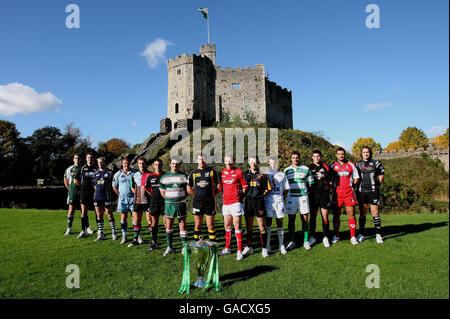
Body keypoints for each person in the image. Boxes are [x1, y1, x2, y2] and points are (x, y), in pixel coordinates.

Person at [219, 155, 248, 261]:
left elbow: (245, 186)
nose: (229, 163)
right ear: (224, 162)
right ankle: (227, 248)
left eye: (230, 161)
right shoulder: (222, 173)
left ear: (234, 161)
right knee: (227, 225)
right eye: (227, 161)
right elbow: (220, 187)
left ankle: (239, 251)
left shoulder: (239, 172)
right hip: (225, 203)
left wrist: (241, 197)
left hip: (236, 203)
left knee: (237, 226)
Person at [283, 151, 314, 251]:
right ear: (291, 159)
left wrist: (305, 193)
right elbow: (284, 186)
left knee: (304, 219)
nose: (295, 159)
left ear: (299, 158)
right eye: (293, 158)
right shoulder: (286, 170)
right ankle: (292, 241)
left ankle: (305, 241)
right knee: (291, 219)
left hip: (302, 197)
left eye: (297, 157)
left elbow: (310, 184)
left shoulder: (306, 169)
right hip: (291, 197)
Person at [187, 154, 221, 244]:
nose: (201, 161)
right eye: (200, 159)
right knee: (198, 225)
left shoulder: (213, 172)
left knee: (210, 225)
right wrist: (196, 195)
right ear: (197, 161)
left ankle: (213, 246)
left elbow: (219, 187)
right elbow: (188, 188)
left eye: (203, 159)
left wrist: (212, 195)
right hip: (197, 203)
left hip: (209, 203)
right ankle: (196, 245)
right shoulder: (193, 173)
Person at [159, 157, 190, 256]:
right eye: (173, 163)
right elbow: (162, 192)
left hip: (181, 204)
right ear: (170, 164)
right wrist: (169, 199)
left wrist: (180, 198)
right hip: (169, 205)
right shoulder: (164, 177)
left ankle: (184, 246)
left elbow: (188, 190)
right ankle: (169, 247)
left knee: (182, 225)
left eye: (176, 164)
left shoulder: (184, 176)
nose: (175, 165)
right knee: (169, 225)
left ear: (179, 165)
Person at [330, 147, 360, 245]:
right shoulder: (332, 166)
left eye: (342, 154)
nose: (341, 156)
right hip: (337, 193)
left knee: (351, 214)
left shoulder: (351, 164)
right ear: (336, 155)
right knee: (336, 214)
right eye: (339, 154)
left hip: (348, 193)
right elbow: (329, 180)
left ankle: (353, 236)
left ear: (344, 154)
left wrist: (351, 186)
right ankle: (336, 236)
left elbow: (356, 179)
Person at [242, 156, 271, 258]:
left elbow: (268, 188)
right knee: (248, 227)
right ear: (249, 163)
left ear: (258, 162)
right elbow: (242, 188)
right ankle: (249, 246)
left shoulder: (263, 174)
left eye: (255, 162)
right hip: (248, 202)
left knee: (261, 226)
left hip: (259, 202)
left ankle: (264, 248)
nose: (253, 164)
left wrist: (260, 196)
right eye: (251, 162)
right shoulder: (245, 174)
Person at [355, 146, 385, 244]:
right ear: (361, 153)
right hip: (361, 191)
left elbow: (381, 175)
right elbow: (354, 178)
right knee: (362, 213)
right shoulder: (357, 164)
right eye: (364, 152)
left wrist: (377, 185)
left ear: (370, 153)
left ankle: (378, 234)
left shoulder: (376, 163)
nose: (366, 154)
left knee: (375, 212)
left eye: (367, 152)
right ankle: (361, 234)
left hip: (373, 191)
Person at [265, 156, 290, 254]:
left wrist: (281, 196)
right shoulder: (265, 174)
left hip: (279, 201)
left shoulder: (281, 174)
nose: (273, 165)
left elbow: (286, 188)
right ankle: (267, 245)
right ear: (268, 163)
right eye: (271, 163)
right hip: (268, 201)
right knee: (268, 223)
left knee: (280, 222)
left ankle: (281, 245)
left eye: (274, 163)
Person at [308, 150, 333, 248]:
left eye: (318, 156)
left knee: (325, 217)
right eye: (315, 156)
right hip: (313, 195)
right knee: (313, 217)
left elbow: (331, 181)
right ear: (312, 157)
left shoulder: (326, 167)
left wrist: (326, 189)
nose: (316, 158)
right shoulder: (309, 168)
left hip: (324, 195)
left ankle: (326, 237)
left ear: (321, 156)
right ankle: (312, 236)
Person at [128, 157, 152, 247]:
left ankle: (154, 239)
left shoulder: (150, 174)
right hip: (138, 200)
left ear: (146, 164)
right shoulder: (134, 175)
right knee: (137, 220)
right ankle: (135, 240)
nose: (142, 165)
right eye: (140, 163)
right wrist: (137, 194)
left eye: (143, 163)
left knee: (149, 220)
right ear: (137, 165)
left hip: (148, 200)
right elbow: (132, 186)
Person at [112, 157, 136, 245]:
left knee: (135, 217)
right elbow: (114, 186)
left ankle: (137, 236)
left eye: (128, 163)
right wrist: (119, 194)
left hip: (133, 198)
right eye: (125, 163)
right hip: (122, 199)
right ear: (122, 164)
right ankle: (124, 236)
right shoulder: (117, 174)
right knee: (123, 217)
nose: (126, 165)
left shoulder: (134, 173)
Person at [93, 157, 117, 241]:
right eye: (99, 162)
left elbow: (111, 184)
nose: (100, 164)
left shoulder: (109, 172)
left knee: (109, 214)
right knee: (99, 215)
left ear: (105, 163)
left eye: (102, 162)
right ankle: (101, 233)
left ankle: (114, 233)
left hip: (106, 197)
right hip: (97, 197)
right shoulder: (95, 173)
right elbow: (94, 184)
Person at [145, 158, 166, 251]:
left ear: (162, 165)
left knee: (167, 223)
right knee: (154, 223)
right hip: (154, 203)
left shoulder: (166, 176)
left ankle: (169, 243)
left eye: (159, 164)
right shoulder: (150, 177)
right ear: (153, 166)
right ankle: (154, 242)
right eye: (156, 165)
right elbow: (148, 189)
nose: (158, 166)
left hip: (165, 202)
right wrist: (154, 196)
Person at [77, 153, 96, 238]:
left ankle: (100, 230)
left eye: (91, 158)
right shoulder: (82, 168)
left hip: (94, 192)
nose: (90, 159)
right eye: (88, 157)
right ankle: (83, 230)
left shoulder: (97, 168)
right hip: (84, 192)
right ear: (86, 159)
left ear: (93, 159)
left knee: (97, 211)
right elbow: (75, 180)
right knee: (84, 211)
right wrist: (82, 187)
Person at [64, 154, 81, 236]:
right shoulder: (70, 169)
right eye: (76, 158)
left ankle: (86, 228)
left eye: (78, 158)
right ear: (73, 159)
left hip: (81, 192)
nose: (77, 159)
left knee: (83, 210)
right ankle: (69, 228)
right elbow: (65, 180)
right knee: (71, 209)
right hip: (73, 192)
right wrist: (69, 189)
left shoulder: (83, 168)